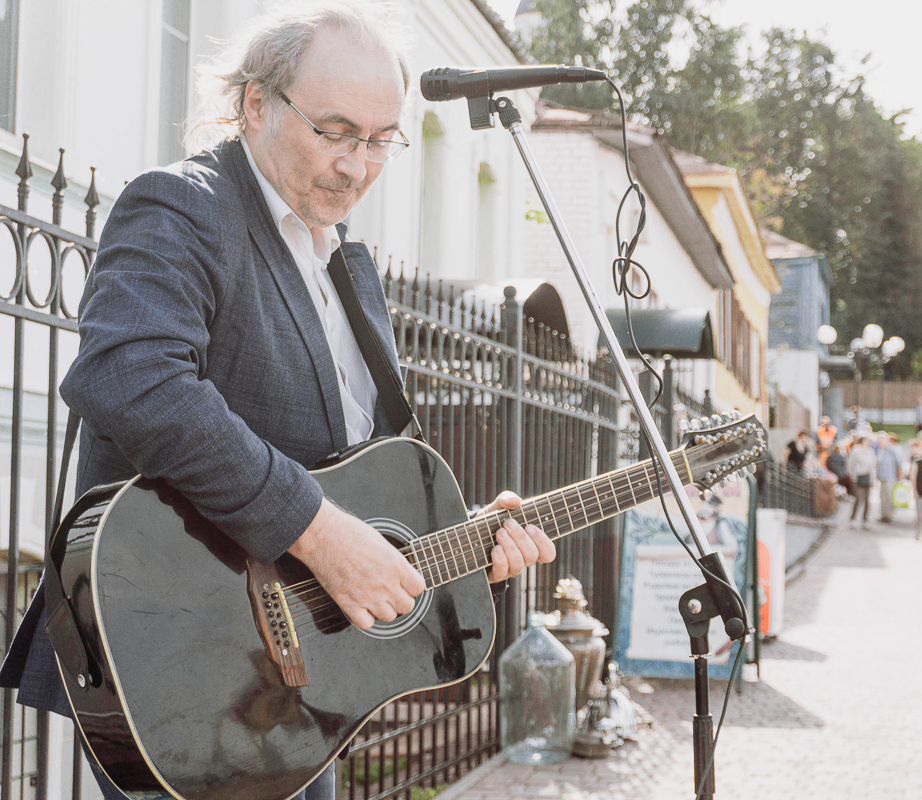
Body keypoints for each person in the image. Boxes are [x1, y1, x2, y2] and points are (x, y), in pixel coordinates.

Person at [0, 6, 557, 799]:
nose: (357, 166)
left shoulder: (348, 267)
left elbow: (353, 480)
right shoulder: (183, 205)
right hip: (185, 668)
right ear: (256, 103)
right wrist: (321, 534)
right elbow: (131, 377)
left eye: (380, 140)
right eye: (334, 131)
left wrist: (468, 546)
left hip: (303, 690)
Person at [847, 435, 877, 529]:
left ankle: (865, 520)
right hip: (858, 478)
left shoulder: (870, 451)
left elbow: (873, 465)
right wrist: (852, 475)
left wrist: (873, 478)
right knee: (858, 498)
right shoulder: (856, 451)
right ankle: (853, 519)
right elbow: (850, 463)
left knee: (867, 500)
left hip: (868, 478)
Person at [876, 432, 904, 523]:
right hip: (882, 477)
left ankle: (889, 515)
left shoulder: (892, 450)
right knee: (882, 496)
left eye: (882, 440)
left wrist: (900, 476)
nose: (880, 442)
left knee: (889, 496)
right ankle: (883, 514)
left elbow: (899, 464)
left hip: (890, 476)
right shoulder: (881, 450)